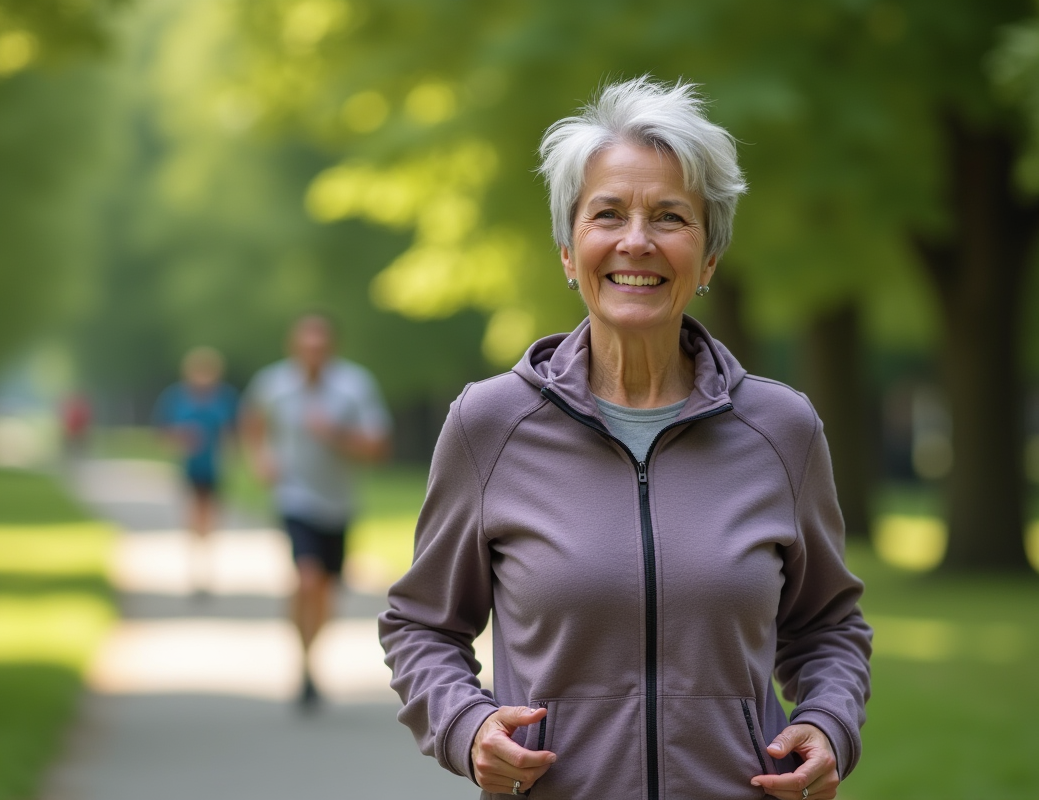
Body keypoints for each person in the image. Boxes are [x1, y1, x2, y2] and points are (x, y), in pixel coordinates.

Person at [379, 77, 872, 800]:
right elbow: (420, 624)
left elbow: (827, 626)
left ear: (707, 259)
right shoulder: (489, 426)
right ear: (569, 251)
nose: (636, 241)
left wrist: (829, 723)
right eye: (608, 213)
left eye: (670, 217)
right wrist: (466, 725)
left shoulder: (781, 431)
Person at [243, 314, 391, 709]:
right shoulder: (273, 385)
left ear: (331, 349)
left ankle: (313, 656)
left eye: (320, 348)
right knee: (306, 579)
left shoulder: (354, 387)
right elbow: (253, 422)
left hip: (339, 502)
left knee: (325, 588)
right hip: (294, 496)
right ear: (293, 348)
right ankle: (303, 665)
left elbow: (377, 446)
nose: (313, 355)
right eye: (306, 347)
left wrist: (336, 435)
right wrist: (260, 458)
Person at [154, 346, 240, 595]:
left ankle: (208, 569)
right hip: (189, 468)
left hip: (216, 468)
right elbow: (163, 433)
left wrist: (231, 456)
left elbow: (232, 431)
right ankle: (195, 571)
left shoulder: (224, 398)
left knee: (211, 520)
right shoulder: (177, 397)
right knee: (193, 518)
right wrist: (182, 438)